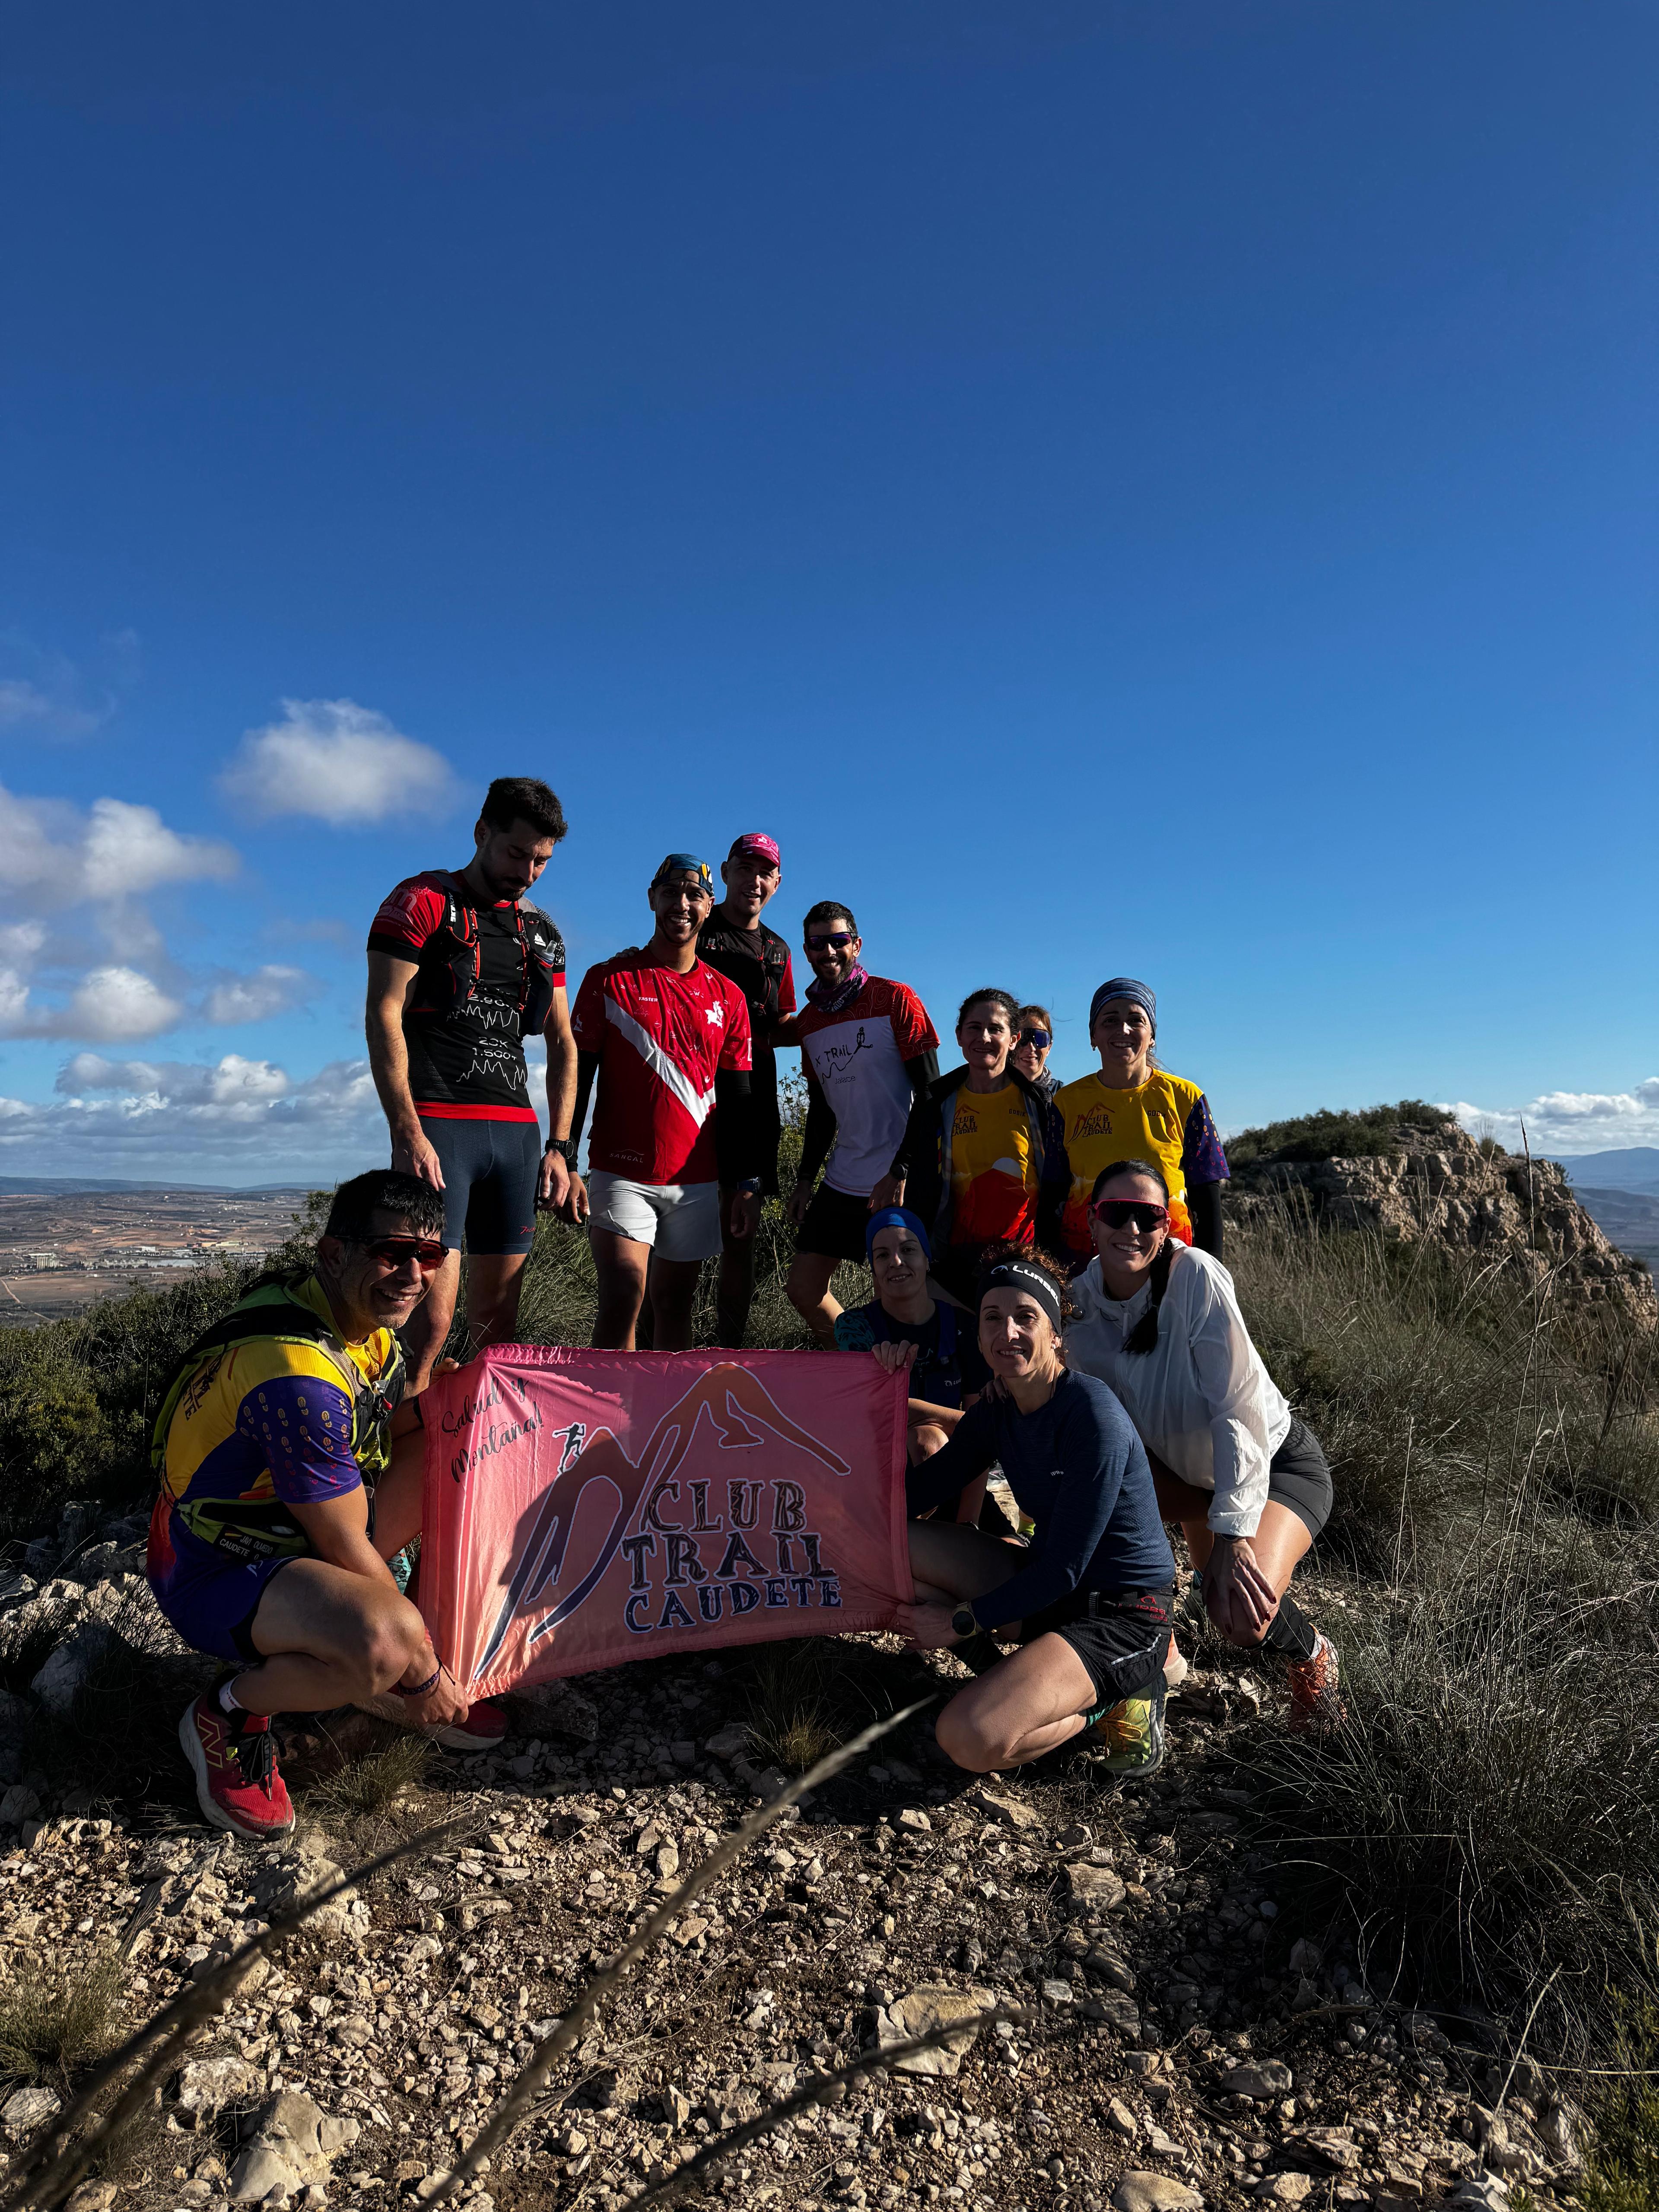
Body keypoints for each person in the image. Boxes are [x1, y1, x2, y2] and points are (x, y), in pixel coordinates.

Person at [148, 1170, 486, 1841]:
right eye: (393, 1253)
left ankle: (390, 1654)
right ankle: (229, 1713)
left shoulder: (353, 1325)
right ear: (335, 1255)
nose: (413, 1275)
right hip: (215, 1568)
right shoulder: (296, 1378)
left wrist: (445, 1406)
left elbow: (375, 1436)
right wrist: (419, 1674)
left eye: (430, 1257)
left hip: (285, 1529)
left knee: (460, 1439)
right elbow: (341, 1543)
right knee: (386, 1641)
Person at [1065, 1159, 1344, 1729]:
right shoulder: (1077, 1307)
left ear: (1167, 1227)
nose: (1133, 1230)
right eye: (1117, 1214)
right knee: (1085, 1501)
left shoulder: (1195, 1277)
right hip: (1185, 1478)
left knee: (1238, 1616)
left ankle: (1314, 1653)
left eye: (1149, 1217)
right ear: (1091, 1223)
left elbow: (1238, 1409)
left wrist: (1236, 1534)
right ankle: (1150, 1639)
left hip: (1271, 1464)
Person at [896, 1251, 1179, 1777]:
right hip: (1048, 1584)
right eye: (992, 1318)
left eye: (1026, 1316)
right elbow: (916, 1494)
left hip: (1121, 1613)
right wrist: (883, 1385)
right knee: (896, 1548)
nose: (1008, 1331)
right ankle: (1016, 1678)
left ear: (1055, 1333)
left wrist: (961, 1621)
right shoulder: (998, 1412)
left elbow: (1067, 1567)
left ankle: (1112, 1699)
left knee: (968, 1738)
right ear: (979, 1336)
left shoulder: (1091, 1416)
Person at [366, 776, 579, 1392]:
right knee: (427, 1329)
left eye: (542, 860)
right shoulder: (423, 901)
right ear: (482, 833)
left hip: (515, 1138)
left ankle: (478, 1467)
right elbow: (384, 1012)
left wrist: (562, 1148)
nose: (530, 872)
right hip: (439, 1128)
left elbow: (563, 1042)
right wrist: (405, 1129)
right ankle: (402, 1467)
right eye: (518, 854)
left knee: (497, 1330)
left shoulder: (542, 931)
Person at [568, 855, 761, 1351]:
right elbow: (580, 1076)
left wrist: (745, 1182)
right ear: (652, 898)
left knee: (675, 1306)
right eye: (670, 892)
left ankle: (664, 1421)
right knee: (622, 1297)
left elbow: (740, 1100)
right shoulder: (608, 979)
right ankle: (608, 1420)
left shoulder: (730, 997)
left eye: (694, 895)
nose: (681, 904)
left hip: (697, 1180)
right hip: (622, 1171)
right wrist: (564, 1156)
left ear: (709, 905)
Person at [786, 903, 939, 1346]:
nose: (829, 950)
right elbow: (821, 1110)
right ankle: (859, 1362)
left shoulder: (895, 998)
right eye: (818, 943)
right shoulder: (809, 1022)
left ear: (856, 944)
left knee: (897, 1296)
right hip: (843, 1178)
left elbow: (930, 1092)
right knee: (803, 1288)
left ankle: (902, 1396)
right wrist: (803, 1181)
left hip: (898, 1178)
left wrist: (903, 1169)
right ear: (807, 951)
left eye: (838, 940)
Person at [885, 989, 1069, 1285]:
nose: (984, 1037)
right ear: (959, 1036)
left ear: (1013, 1040)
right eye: (974, 1028)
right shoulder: (938, 1103)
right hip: (956, 1260)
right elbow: (923, 1183)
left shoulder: (1040, 1104)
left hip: (1026, 1259)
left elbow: (1058, 1184)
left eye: (996, 1029)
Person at [694, 833, 798, 1346]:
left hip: (755, 1101)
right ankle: (659, 1349)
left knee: (741, 1234)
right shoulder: (697, 929)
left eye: (765, 873)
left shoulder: (778, 949)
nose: (754, 881)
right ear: (726, 871)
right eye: (745, 868)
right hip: (692, 1095)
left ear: (777, 883)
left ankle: (727, 1350)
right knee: (680, 1234)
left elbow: (782, 1023)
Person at [1054, 977, 1229, 1265]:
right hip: (1085, 1265)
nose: (1123, 1029)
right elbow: (1053, 1195)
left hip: (1169, 1263)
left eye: (1136, 1020)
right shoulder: (1066, 1103)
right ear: (1092, 1036)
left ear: (1152, 1036)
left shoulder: (1186, 1097)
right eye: (1110, 1020)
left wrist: (1212, 1272)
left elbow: (1206, 1194)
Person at [833, 1206, 988, 1472]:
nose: (895, 1262)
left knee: (931, 1441)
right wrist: (966, 1422)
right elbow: (868, 1409)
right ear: (874, 1268)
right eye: (882, 1255)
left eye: (908, 1250)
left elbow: (982, 1440)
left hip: (954, 1468)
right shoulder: (854, 1327)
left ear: (927, 1260)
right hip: (873, 1472)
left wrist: (969, 1516)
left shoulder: (965, 1326)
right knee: (926, 1439)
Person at [1011, 1005, 1060, 1099]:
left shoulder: (1064, 1096)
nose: (1031, 1047)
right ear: (1011, 1042)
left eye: (1040, 1038)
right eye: (1023, 1038)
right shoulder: (992, 1091)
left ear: (1049, 1047)